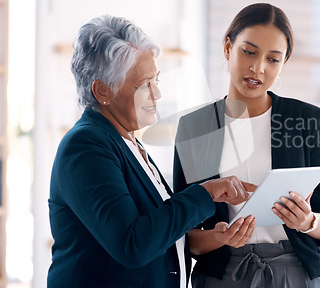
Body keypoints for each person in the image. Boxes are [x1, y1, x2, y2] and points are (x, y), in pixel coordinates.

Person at [47, 15, 256, 288]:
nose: (157, 94)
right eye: (144, 84)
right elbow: (133, 244)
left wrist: (217, 237)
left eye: (156, 80)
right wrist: (205, 193)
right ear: (102, 91)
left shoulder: (127, 141)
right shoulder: (86, 146)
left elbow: (158, 231)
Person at [173, 3, 320, 288]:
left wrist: (307, 222)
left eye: (273, 59)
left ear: (283, 65)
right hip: (222, 274)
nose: (258, 67)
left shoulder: (306, 120)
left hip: (295, 272)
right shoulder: (196, 128)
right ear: (228, 48)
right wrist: (220, 237)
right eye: (248, 52)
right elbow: (181, 230)